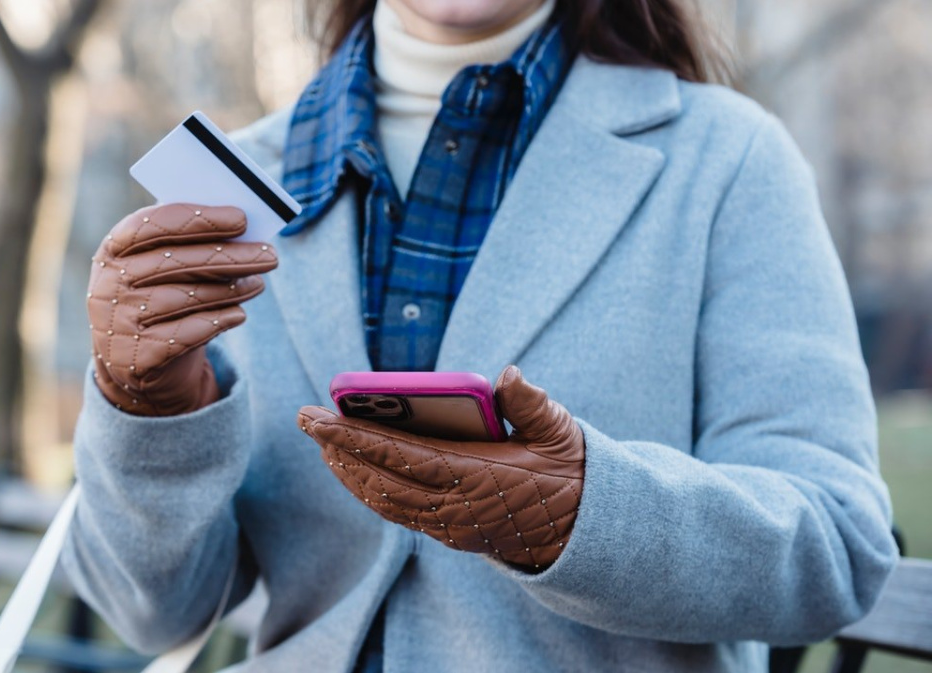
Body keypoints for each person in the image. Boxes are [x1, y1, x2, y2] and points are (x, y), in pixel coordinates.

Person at [63, 0, 900, 670]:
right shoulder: (236, 186)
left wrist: (582, 515)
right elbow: (149, 613)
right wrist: (149, 413)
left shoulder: (728, 160)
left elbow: (838, 545)